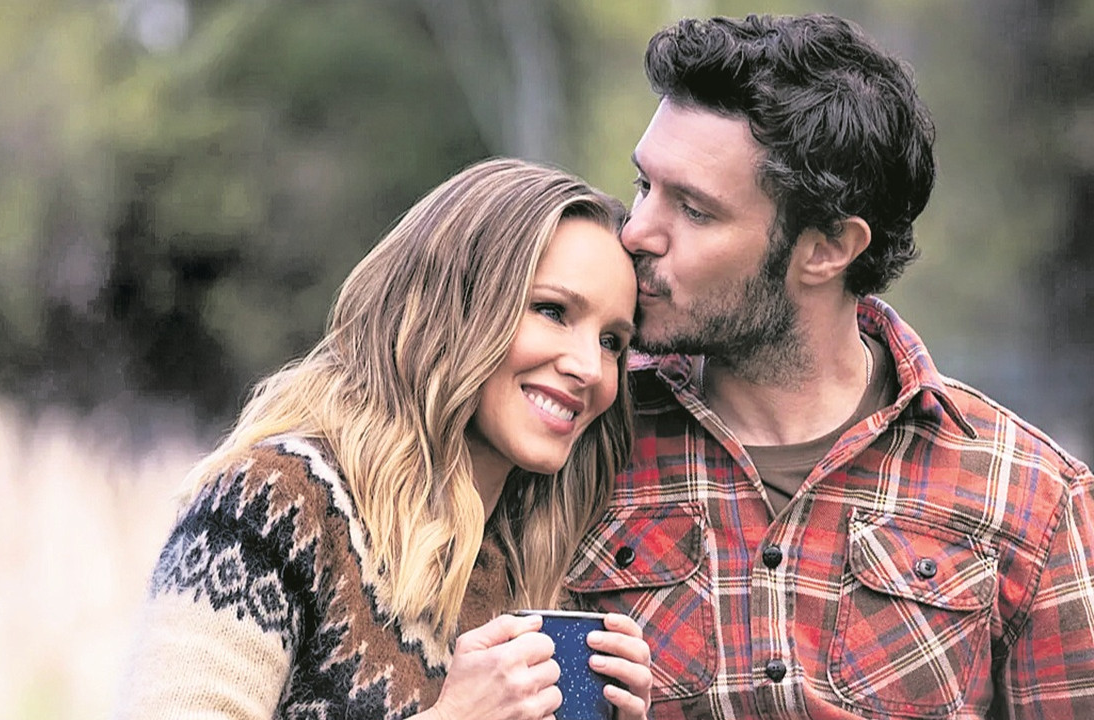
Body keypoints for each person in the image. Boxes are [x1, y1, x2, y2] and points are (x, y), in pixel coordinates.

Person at [565, 13, 1094, 719]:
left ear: (827, 249)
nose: (635, 233)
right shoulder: (581, 438)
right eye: (643, 186)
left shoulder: (1032, 497)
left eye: (693, 210)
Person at [114, 157, 653, 720]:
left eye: (612, 342)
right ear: (454, 307)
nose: (590, 368)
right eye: (552, 310)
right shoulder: (272, 504)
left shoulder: (530, 581)